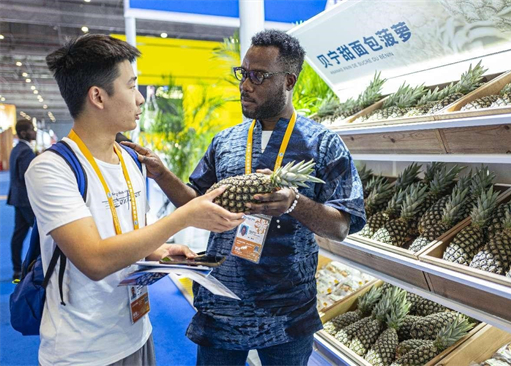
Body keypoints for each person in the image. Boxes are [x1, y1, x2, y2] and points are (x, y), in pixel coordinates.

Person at [124, 29, 366, 366]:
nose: (245, 85)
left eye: (258, 76)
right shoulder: (225, 142)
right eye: (243, 73)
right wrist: (162, 173)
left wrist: (294, 203)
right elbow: (195, 202)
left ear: (289, 81)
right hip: (222, 307)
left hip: (287, 312)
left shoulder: (323, 145)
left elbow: (342, 225)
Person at [25, 34, 244, 366]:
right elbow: (94, 260)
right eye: (132, 86)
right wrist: (184, 217)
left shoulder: (130, 160)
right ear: (98, 96)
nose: (140, 99)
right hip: (83, 350)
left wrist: (160, 252)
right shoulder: (50, 169)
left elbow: (126, 236)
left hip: (137, 332)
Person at [7, 119, 37, 281]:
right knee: (45, 232)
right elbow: (28, 177)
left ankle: (17, 269)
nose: (34, 132)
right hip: (26, 200)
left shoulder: (16, 149)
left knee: (18, 235)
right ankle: (38, 266)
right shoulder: (25, 151)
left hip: (18, 199)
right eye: (32, 129)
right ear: (24, 133)